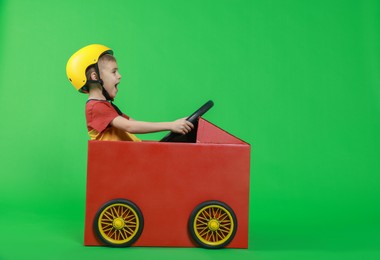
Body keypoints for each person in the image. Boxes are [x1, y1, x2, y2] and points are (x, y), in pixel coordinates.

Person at [66, 44, 193, 141]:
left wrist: (176, 124)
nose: (119, 76)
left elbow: (133, 123)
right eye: (114, 71)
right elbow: (129, 127)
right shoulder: (95, 107)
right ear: (95, 77)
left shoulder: (106, 106)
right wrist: (170, 125)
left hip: (129, 159)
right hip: (117, 166)